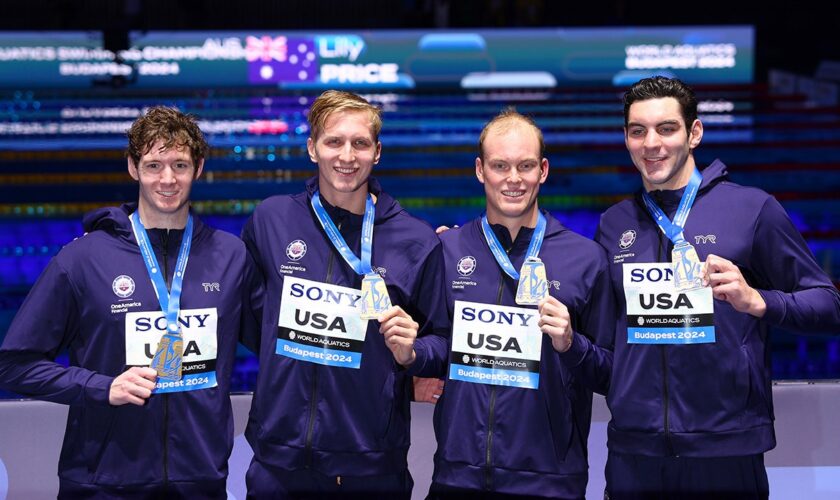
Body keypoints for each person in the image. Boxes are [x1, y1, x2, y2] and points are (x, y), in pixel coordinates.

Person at [595, 76, 840, 499]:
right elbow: (598, 331)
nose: (651, 143)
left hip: (727, 449)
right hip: (635, 453)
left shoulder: (751, 208)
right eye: (638, 131)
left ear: (694, 133)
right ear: (627, 138)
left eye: (666, 128)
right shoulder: (614, 224)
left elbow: (829, 306)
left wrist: (757, 300)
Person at [0, 106, 263, 498]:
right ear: (133, 167)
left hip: (201, 481)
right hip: (102, 483)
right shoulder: (83, 260)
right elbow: (14, 365)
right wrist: (100, 387)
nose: (168, 179)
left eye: (180, 164)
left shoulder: (230, 256)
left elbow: (278, 345)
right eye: (154, 164)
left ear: (199, 167)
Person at [241, 90, 449, 498]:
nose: (347, 155)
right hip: (280, 463)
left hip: (371, 464)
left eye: (360, 143)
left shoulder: (416, 240)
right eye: (334, 141)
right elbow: (249, 317)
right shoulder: (273, 220)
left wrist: (412, 356)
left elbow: (442, 341)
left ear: (377, 152)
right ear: (312, 148)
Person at [429, 108, 616, 499]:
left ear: (543, 170)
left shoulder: (586, 259)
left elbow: (612, 373)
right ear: (480, 170)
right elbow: (432, 347)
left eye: (525, 166)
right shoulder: (446, 250)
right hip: (458, 477)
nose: (513, 179)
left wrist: (571, 343)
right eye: (500, 165)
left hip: (548, 481)